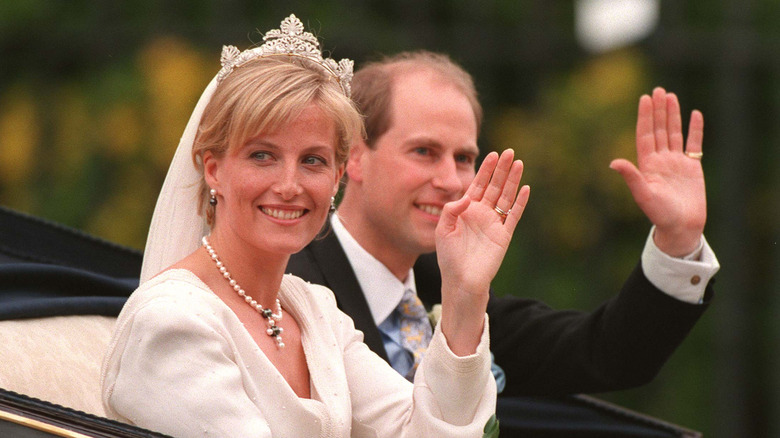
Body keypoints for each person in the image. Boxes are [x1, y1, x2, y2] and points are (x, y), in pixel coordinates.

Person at [101, 16, 524, 437]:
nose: (289, 186)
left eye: (312, 161)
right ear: (213, 170)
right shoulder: (173, 322)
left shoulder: (315, 313)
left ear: (339, 175)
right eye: (262, 156)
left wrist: (465, 294)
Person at [286, 51, 721, 396]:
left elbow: (607, 354)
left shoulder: (452, 287)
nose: (451, 180)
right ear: (355, 157)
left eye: (464, 158)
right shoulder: (289, 285)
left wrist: (678, 239)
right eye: (424, 151)